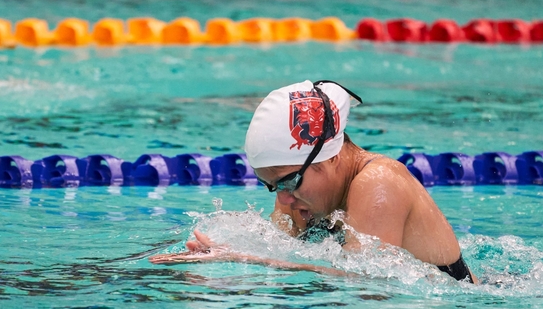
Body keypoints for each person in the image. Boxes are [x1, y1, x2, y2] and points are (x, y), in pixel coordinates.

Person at [150, 80, 477, 284]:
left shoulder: (378, 184)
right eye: (274, 186)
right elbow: (283, 264)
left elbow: (370, 285)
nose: (284, 199)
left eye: (289, 182)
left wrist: (241, 258)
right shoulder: (295, 193)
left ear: (330, 157)